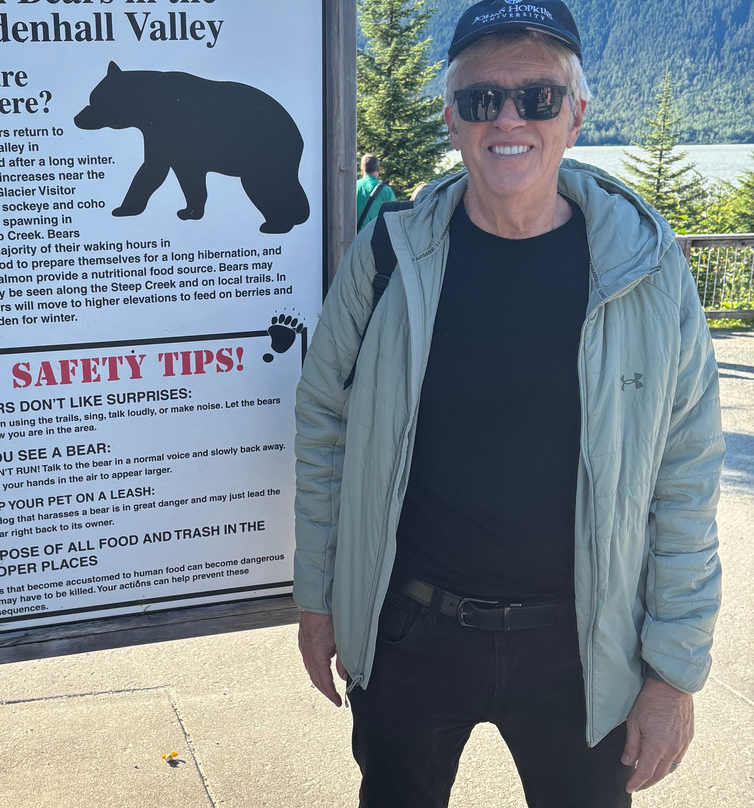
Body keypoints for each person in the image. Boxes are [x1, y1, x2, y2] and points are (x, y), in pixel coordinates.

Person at [294, 2, 724, 806]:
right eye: (482, 98)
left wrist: (673, 673)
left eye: (538, 96)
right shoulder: (388, 256)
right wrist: (319, 604)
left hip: (585, 650)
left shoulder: (648, 269)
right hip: (410, 631)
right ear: (452, 118)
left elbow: (686, 475)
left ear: (577, 115)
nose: (509, 118)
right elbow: (324, 423)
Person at [356, 153, 396, 231]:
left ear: (361, 170)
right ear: (378, 169)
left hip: (354, 236)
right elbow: (394, 217)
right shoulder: (387, 191)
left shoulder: (353, 187)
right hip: (376, 237)